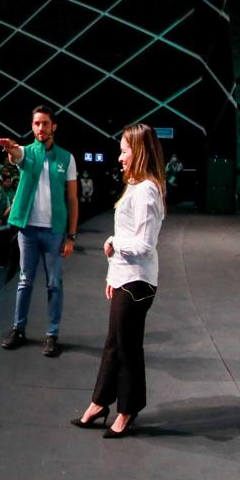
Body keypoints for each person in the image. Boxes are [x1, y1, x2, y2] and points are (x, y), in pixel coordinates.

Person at [74, 124, 165, 438]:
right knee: (115, 345)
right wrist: (113, 275)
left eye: (124, 150)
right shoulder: (136, 186)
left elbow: (142, 245)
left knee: (126, 348)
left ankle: (126, 410)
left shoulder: (147, 191)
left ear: (138, 151)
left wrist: (113, 243)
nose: (119, 156)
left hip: (137, 283)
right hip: (127, 278)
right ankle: (100, 403)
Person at [0, 105, 79, 356]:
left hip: (54, 232)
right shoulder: (27, 152)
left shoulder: (67, 158)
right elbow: (16, 156)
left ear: (53, 126)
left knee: (54, 283)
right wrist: (11, 150)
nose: (40, 128)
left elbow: (73, 199)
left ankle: (52, 333)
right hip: (28, 231)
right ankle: (18, 329)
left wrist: (71, 236)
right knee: (24, 281)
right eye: (36, 124)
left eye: (45, 123)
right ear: (32, 127)